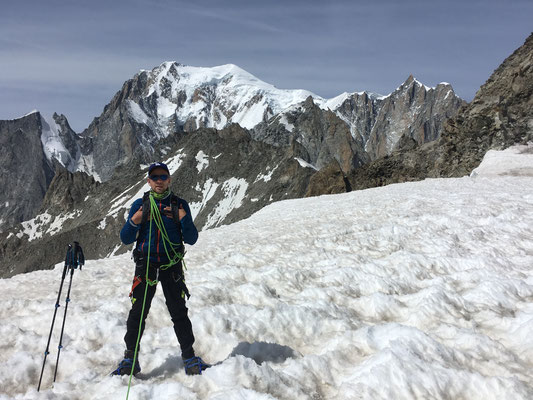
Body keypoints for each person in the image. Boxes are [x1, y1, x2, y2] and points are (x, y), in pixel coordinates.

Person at [112, 162, 209, 376]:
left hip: (171, 265)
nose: (159, 180)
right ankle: (131, 358)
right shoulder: (140, 205)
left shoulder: (179, 205)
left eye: (163, 177)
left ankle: (189, 356)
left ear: (169, 180)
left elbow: (192, 238)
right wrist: (136, 221)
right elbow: (126, 238)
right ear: (148, 181)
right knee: (138, 312)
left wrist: (183, 219)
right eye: (154, 177)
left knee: (178, 312)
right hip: (146, 263)